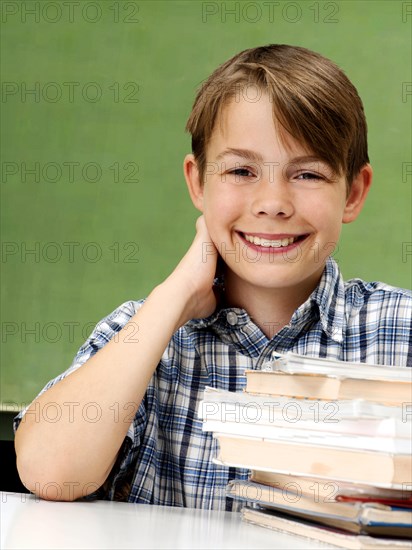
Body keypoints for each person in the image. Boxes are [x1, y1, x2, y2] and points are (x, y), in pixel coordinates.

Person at [14, 44, 411, 508]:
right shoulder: (147, 334)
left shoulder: (401, 331)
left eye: (307, 175)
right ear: (198, 183)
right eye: (242, 170)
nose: (273, 202)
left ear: (353, 192)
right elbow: (49, 472)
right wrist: (178, 294)